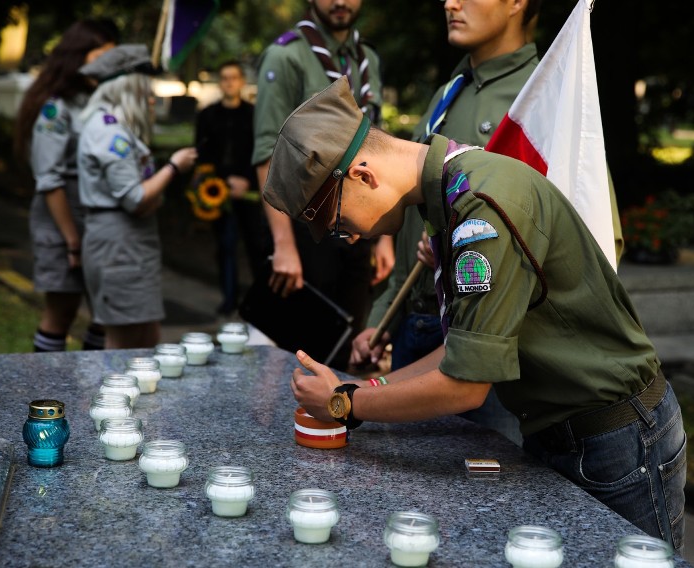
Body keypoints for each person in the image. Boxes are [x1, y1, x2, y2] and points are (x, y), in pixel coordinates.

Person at [263, 77, 687, 552]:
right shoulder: (450, 194)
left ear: (362, 175)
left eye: (339, 223)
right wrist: (367, 388)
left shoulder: (480, 207)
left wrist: (345, 402)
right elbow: (464, 347)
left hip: (615, 439)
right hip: (566, 431)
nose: (352, 237)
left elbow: (466, 384)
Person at [352, 0, 544, 444]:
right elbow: (413, 217)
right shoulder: (449, 92)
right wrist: (383, 317)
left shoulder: (543, 97)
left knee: (481, 500)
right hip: (416, 329)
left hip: (485, 352)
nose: (449, 3)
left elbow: (585, 231)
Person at [252, 0, 394, 370]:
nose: (341, 2)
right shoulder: (286, 57)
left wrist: (385, 235)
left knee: (349, 356)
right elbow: (267, 155)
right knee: (296, 360)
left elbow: (379, 148)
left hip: (358, 232)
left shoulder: (368, 59)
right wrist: (284, 247)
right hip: (304, 234)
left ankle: (340, 427)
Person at [77, 44, 198, 349]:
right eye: (145, 91)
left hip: (128, 245)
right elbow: (134, 198)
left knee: (145, 339)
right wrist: (173, 166)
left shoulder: (115, 128)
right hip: (120, 247)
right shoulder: (110, 132)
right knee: (124, 346)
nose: (151, 99)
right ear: (128, 88)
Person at [13, 19, 119, 352]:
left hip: (95, 221)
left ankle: (91, 393)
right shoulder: (55, 107)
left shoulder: (96, 101)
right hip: (62, 220)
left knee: (106, 315)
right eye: (101, 56)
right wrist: (73, 241)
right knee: (62, 312)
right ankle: (47, 400)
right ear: (78, 55)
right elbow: (49, 179)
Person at [194, 60, 270, 316]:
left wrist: (247, 180)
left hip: (248, 190)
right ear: (220, 82)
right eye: (224, 78)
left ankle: (262, 301)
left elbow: (262, 151)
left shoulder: (253, 114)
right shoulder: (207, 115)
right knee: (225, 246)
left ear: (241, 81)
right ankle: (229, 299)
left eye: (234, 78)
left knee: (256, 246)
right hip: (217, 191)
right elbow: (202, 153)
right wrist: (220, 183)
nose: (229, 82)